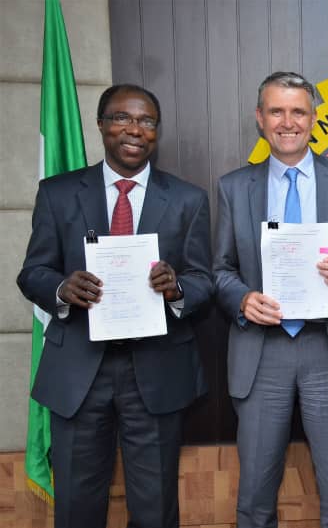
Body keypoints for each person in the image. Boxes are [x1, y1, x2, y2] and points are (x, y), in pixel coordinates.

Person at [17, 84, 211, 528]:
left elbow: (204, 279)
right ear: (101, 125)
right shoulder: (58, 193)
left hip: (157, 370)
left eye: (146, 122)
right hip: (79, 372)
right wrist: (63, 288)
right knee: (77, 507)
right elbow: (33, 273)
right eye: (122, 118)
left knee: (155, 507)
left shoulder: (187, 199)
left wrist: (177, 288)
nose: (134, 130)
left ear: (156, 133)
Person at [213, 71, 328, 528]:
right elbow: (220, 270)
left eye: (298, 111)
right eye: (277, 111)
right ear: (260, 119)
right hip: (261, 353)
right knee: (254, 501)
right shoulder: (233, 187)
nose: (288, 122)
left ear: (314, 118)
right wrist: (243, 299)